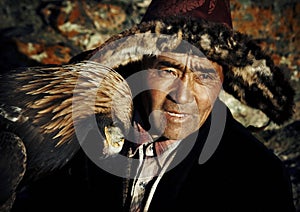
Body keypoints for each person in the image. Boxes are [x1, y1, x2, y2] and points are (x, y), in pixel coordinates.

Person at [10, 0, 296, 211]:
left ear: (223, 81)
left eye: (204, 75)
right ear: (138, 64)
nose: (181, 96)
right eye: (168, 71)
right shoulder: (75, 133)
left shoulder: (258, 179)